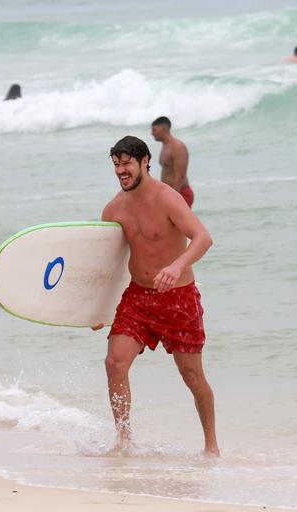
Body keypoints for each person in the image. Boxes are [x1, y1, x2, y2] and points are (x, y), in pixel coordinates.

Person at [93, 135, 219, 456]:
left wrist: (177, 266)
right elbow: (107, 265)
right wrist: (96, 309)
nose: (121, 170)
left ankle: (211, 446)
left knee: (192, 376)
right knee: (114, 363)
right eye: (117, 164)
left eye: (127, 163)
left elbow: (203, 238)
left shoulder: (168, 198)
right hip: (138, 298)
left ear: (145, 161)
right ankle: (123, 439)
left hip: (178, 298)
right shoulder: (113, 210)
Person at [151, 116, 195, 208]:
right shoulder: (165, 145)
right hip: (169, 193)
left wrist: (173, 198)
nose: (152, 133)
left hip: (180, 193)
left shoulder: (178, 147)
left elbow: (180, 176)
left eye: (154, 130)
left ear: (164, 128)